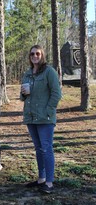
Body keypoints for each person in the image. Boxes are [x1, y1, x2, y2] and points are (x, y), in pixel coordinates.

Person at [20, 45, 62, 194]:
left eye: (38, 53)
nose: (35, 56)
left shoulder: (49, 72)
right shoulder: (27, 74)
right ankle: (41, 179)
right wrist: (24, 94)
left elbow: (56, 93)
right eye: (32, 54)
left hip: (45, 118)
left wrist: (48, 110)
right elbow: (22, 96)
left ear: (42, 55)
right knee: (38, 149)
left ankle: (49, 182)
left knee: (46, 148)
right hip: (31, 117)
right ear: (29, 56)